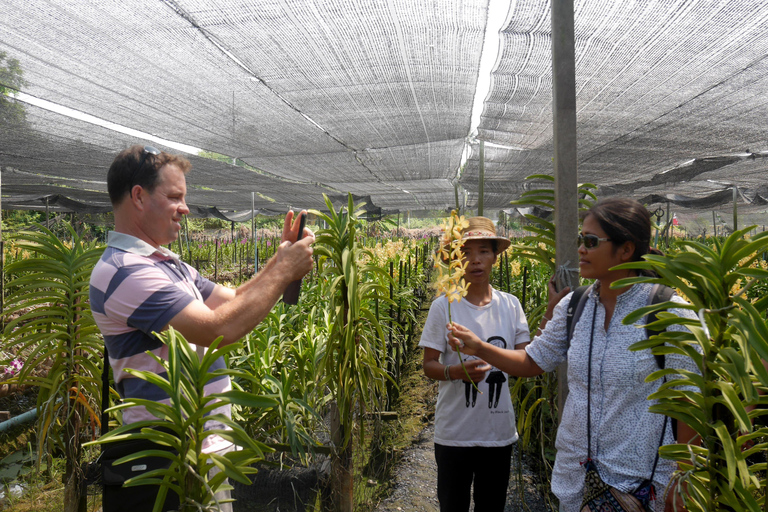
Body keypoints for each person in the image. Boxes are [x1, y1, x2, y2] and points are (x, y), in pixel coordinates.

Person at [89, 145, 315, 511]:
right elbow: (216, 330)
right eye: (175, 197)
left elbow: (234, 300)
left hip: (201, 452)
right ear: (139, 197)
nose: (185, 208)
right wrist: (285, 271)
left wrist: (281, 256)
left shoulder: (167, 264)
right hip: (169, 460)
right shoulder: (123, 271)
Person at [448, 198, 699, 512]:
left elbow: (689, 401)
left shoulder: (667, 312)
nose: (581, 249)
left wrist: (685, 476)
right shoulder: (576, 306)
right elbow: (532, 361)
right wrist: (480, 347)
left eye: (591, 242)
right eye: (582, 240)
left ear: (626, 249)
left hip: (641, 485)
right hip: (577, 480)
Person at [419, 216, 530, 512]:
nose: (475, 261)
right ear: (456, 259)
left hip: (498, 433)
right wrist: (455, 371)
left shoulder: (511, 305)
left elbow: (526, 361)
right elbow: (428, 365)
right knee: (452, 506)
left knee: (491, 507)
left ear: (495, 256)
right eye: (466, 253)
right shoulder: (444, 306)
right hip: (454, 434)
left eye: (483, 251)